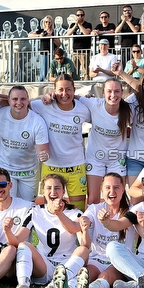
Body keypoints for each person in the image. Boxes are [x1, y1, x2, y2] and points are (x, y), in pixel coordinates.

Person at [9, 174, 87, 288]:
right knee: (24, 245)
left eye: (57, 188)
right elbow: (17, 240)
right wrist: (8, 231)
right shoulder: (35, 211)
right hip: (43, 265)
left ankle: (54, 285)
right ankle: (23, 285)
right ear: (43, 191)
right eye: (49, 188)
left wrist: (59, 213)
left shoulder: (75, 213)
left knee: (83, 250)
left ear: (63, 191)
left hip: (67, 266)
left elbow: (83, 242)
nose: (53, 192)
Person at [32, 74, 93, 208]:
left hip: (76, 167)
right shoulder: (44, 106)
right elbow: (21, 104)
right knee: (50, 209)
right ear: (54, 91)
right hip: (51, 166)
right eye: (60, 90)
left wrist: (88, 99)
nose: (64, 93)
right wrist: (42, 97)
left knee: (79, 210)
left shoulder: (83, 109)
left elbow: (100, 116)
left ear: (74, 90)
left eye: (68, 89)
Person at [73, 173, 135, 288]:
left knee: (105, 276)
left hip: (119, 261)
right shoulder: (95, 209)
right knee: (86, 274)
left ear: (123, 189)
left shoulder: (131, 210)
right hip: (97, 259)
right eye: (107, 188)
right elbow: (77, 225)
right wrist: (82, 222)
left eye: (116, 187)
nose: (112, 191)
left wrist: (107, 222)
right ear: (101, 190)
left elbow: (122, 225)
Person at [0, 85, 50, 202]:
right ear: (8, 101)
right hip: (5, 170)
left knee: (27, 208)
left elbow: (43, 151)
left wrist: (44, 155)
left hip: (29, 172)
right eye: (15, 99)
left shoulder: (37, 122)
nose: (19, 102)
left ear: (28, 100)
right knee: (6, 205)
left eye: (23, 99)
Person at [85, 78, 132, 204]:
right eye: (109, 91)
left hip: (117, 160)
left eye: (117, 91)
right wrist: (49, 96)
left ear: (122, 93)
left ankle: (119, 224)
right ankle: (93, 224)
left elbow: (143, 128)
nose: (113, 95)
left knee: (119, 200)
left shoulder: (129, 110)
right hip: (95, 158)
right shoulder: (93, 104)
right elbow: (73, 98)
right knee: (93, 199)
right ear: (103, 92)